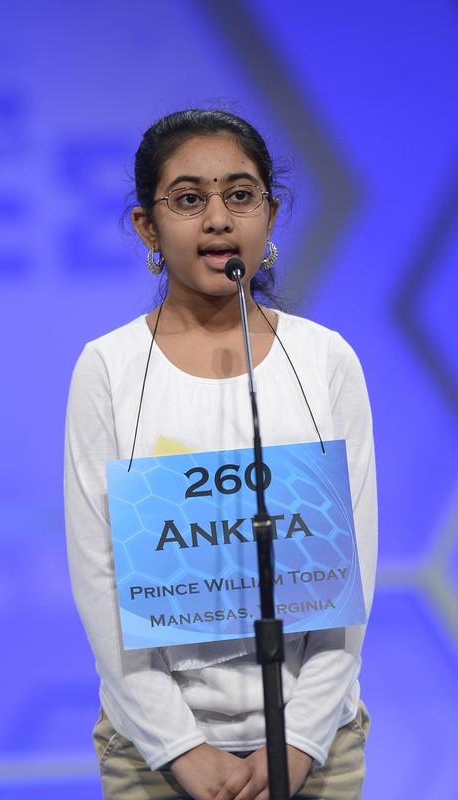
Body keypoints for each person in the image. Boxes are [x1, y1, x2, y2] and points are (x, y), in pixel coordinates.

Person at [64, 108, 377, 799]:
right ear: (147, 226)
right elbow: (98, 577)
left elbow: (351, 570)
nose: (217, 219)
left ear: (270, 213)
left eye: (240, 195)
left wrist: (296, 741)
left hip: (314, 749)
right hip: (153, 756)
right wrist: (180, 747)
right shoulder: (107, 369)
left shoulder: (324, 361)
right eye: (187, 199)